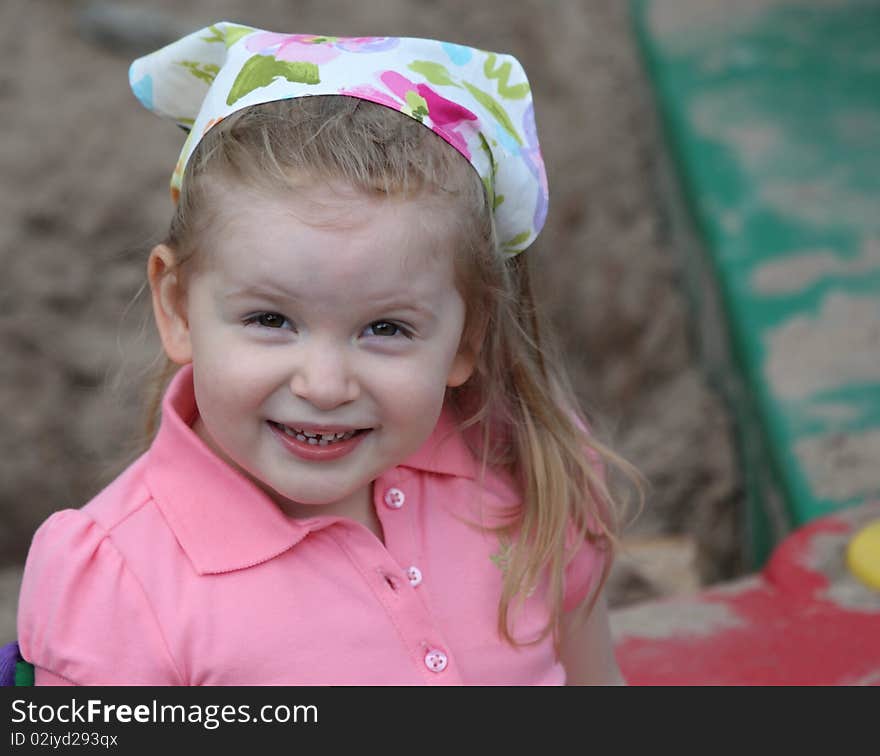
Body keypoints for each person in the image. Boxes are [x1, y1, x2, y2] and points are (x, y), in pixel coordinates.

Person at [16, 23, 641, 685]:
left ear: (468, 336)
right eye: (270, 319)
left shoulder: (525, 469)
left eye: (386, 329)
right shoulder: (122, 581)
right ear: (176, 307)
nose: (324, 384)